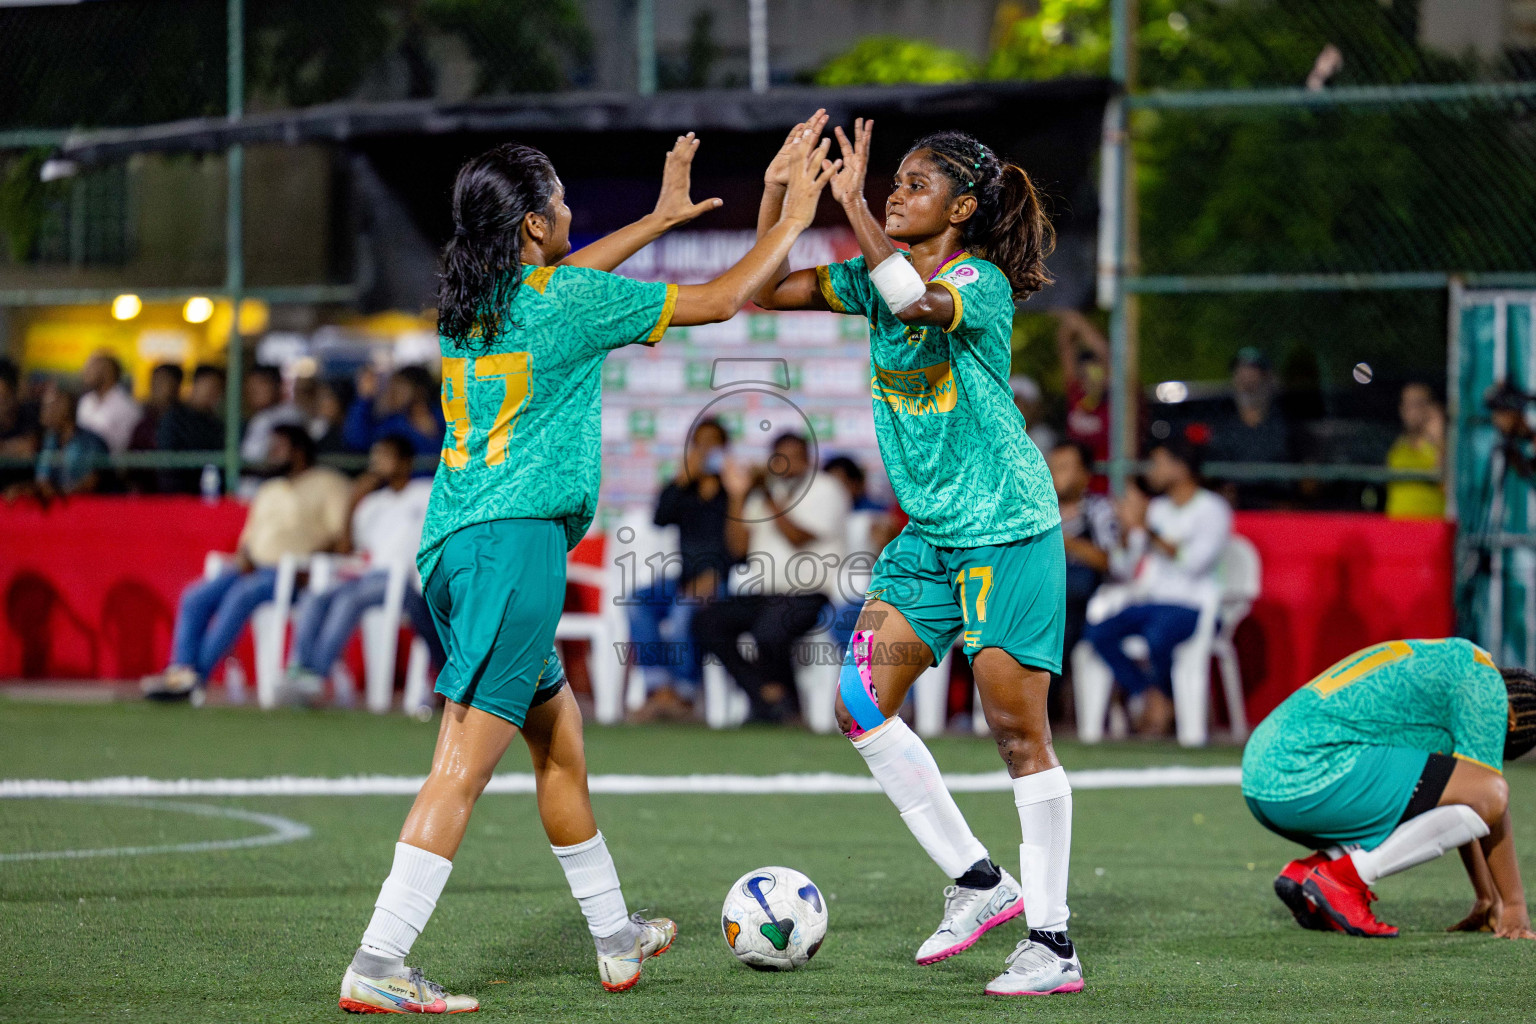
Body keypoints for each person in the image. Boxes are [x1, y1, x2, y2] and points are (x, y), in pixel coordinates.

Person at [336, 130, 838, 1014]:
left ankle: (614, 935)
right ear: (534, 225)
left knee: (560, 743)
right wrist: (794, 216)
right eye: (560, 201)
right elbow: (722, 301)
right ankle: (379, 960)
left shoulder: (475, 301)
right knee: (460, 765)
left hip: (456, 548)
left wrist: (655, 219)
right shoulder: (562, 301)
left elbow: (568, 277)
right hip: (514, 552)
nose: (572, 211)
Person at [753, 112, 1081, 996]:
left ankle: (1052, 945)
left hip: (1006, 529)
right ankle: (981, 882)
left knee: (1017, 735)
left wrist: (854, 205)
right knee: (859, 702)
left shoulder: (980, 280)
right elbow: (766, 287)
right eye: (890, 182)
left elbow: (914, 301)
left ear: (963, 207)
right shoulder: (870, 278)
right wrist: (784, 195)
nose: (896, 193)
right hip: (933, 538)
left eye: (914, 184)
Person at [1243, 638, 1536, 941]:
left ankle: (1312, 870)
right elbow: (1488, 799)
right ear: (1511, 721)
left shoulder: (1456, 663)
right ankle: (1345, 878)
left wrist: (1487, 898)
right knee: (1492, 791)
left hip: (1264, 775)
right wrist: (1513, 905)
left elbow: (1463, 802)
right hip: (1306, 769)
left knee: (1433, 788)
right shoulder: (1486, 688)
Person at [141, 425, 351, 700]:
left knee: (242, 594)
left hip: (294, 576)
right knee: (195, 596)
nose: (271, 454)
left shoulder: (329, 483)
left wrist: (307, 564)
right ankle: (181, 671)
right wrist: (244, 558)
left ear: (298, 452)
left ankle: (196, 678)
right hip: (253, 567)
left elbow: (339, 539)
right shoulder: (269, 489)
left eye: (278, 447)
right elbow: (248, 539)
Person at [692, 433, 850, 725]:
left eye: (792, 457)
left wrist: (767, 496)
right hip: (764, 592)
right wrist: (739, 495)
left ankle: (779, 705)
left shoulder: (826, 488)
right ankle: (768, 696)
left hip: (809, 594)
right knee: (707, 621)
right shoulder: (766, 491)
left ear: (807, 459)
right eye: (779, 457)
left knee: (769, 632)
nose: (785, 464)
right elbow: (737, 547)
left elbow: (797, 536)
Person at [1086, 436, 1232, 736]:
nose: (1152, 470)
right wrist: (1128, 532)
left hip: (1195, 607)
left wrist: (1147, 528)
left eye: (1159, 463)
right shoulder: (1157, 509)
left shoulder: (1213, 509)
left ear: (1180, 468)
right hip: (1152, 604)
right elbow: (1126, 566)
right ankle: (1153, 697)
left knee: (1157, 636)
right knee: (1098, 632)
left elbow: (1194, 563)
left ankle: (1161, 703)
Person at [285, 435, 441, 703]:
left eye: (385, 457)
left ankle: (317, 675)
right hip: (371, 578)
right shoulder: (374, 504)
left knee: (348, 599)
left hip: (407, 582)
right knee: (315, 597)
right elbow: (346, 550)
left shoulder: (425, 492)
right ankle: (300, 669)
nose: (377, 464)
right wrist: (354, 499)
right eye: (375, 457)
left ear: (405, 462)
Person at [628, 418, 731, 723]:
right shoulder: (684, 489)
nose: (706, 449)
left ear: (725, 448)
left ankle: (685, 694)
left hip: (722, 582)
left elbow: (742, 548)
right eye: (700, 443)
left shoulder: (734, 490)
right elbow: (659, 518)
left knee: (684, 610)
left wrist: (715, 576)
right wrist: (682, 479)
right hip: (683, 578)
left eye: (713, 442)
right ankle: (659, 689)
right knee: (638, 601)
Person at [1049, 440, 1117, 721]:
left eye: (1064, 468)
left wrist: (1063, 542)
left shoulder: (1098, 510)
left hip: (1082, 600)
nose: (1055, 476)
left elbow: (1107, 560)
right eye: (1052, 468)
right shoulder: (1037, 509)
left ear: (1085, 474)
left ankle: (1046, 706)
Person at [1207, 347, 1291, 508]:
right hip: (1233, 503)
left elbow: (1289, 466)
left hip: (1272, 503)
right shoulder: (1223, 421)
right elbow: (1215, 464)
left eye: (1253, 370)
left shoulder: (1282, 421)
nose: (1246, 377)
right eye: (1241, 370)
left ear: (1266, 376)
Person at [7, 385, 109, 501]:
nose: (43, 412)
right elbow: (43, 481)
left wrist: (61, 494)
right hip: (58, 509)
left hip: (88, 508)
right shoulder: (49, 441)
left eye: (49, 406)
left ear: (65, 407)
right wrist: (24, 488)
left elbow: (91, 481)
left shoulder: (91, 442)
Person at [344, 365, 445, 457]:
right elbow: (358, 441)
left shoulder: (444, 417)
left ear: (420, 390)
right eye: (393, 386)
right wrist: (364, 399)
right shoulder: (393, 424)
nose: (393, 392)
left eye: (400, 386)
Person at [1056, 310, 1110, 482]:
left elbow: (1106, 354)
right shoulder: (1077, 397)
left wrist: (1078, 320)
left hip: (1106, 491)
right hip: (1076, 490)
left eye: (1095, 373)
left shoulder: (1116, 403)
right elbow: (1065, 347)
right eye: (1085, 374)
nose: (1090, 379)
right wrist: (1066, 313)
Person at [156, 365, 226, 493]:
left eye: (217, 389)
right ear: (195, 384)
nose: (211, 393)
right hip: (176, 495)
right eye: (208, 386)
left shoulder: (216, 425)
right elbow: (167, 462)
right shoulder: (174, 418)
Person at [1384, 382, 1446, 519]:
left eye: (1417, 403)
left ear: (1430, 408)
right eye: (1406, 404)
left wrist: (1439, 439)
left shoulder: (1439, 447)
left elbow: (1448, 488)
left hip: (1429, 530)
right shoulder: (1397, 448)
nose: (1410, 410)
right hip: (1397, 529)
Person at [127, 364, 185, 492]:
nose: (157, 387)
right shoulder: (143, 423)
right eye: (154, 382)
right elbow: (132, 463)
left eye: (163, 381)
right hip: (147, 495)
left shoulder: (186, 422)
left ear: (177, 385)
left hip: (177, 495)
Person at [76, 350, 141, 454]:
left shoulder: (127, 407)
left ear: (108, 372)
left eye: (91, 368)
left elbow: (124, 448)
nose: (85, 372)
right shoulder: (85, 401)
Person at [239, 364, 305, 466]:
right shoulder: (259, 418)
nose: (254, 391)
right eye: (250, 386)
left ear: (278, 385)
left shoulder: (290, 416)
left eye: (261, 384)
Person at [0, 357, 42, 490]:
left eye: (3, 396)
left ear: (14, 392)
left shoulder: (30, 412)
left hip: (25, 492)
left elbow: (30, 446)